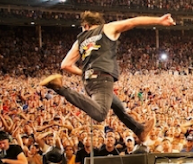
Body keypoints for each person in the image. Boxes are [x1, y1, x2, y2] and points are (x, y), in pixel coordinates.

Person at [39, 11, 175, 142]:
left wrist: (86, 73)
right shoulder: (107, 29)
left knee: (119, 107)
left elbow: (65, 64)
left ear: (86, 25)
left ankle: (139, 130)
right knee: (100, 114)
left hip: (90, 81)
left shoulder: (80, 41)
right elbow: (134, 21)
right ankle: (60, 88)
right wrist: (159, 20)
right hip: (102, 78)